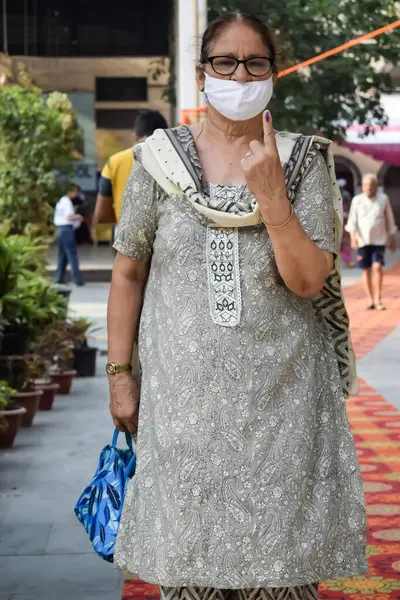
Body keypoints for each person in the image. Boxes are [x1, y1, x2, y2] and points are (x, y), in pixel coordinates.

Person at [107, 11, 367, 600]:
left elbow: (307, 280)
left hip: (286, 407)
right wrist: (120, 375)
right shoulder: (158, 160)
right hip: (183, 409)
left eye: (256, 62)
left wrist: (273, 196)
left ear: (275, 72)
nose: (240, 74)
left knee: (283, 570)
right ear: (203, 72)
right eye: (226, 61)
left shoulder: (304, 161)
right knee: (190, 567)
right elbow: (127, 272)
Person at [93, 109, 168, 226]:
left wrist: (124, 220)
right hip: (166, 237)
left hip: (127, 237)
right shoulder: (174, 161)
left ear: (136, 136)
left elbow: (101, 215)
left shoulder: (114, 162)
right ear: (165, 135)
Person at [346, 173, 397, 310]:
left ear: (376, 186)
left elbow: (390, 220)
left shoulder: (383, 199)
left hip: (379, 241)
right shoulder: (357, 200)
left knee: (378, 267)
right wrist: (353, 239)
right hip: (363, 241)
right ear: (362, 186)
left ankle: (378, 298)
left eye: (371, 185)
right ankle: (370, 300)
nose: (368, 188)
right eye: (365, 185)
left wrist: (393, 238)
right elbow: (352, 222)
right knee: (366, 270)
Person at [54, 185, 85, 286]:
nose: (76, 195)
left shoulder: (60, 202)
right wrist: (79, 217)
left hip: (60, 229)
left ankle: (59, 277)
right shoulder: (67, 202)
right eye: (76, 192)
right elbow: (68, 217)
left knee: (62, 255)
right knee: (72, 255)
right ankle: (77, 279)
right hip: (66, 229)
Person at [338, 179, 354, 267]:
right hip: (335, 220)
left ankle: (348, 260)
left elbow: (350, 206)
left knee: (346, 242)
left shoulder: (346, 195)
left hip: (345, 220)